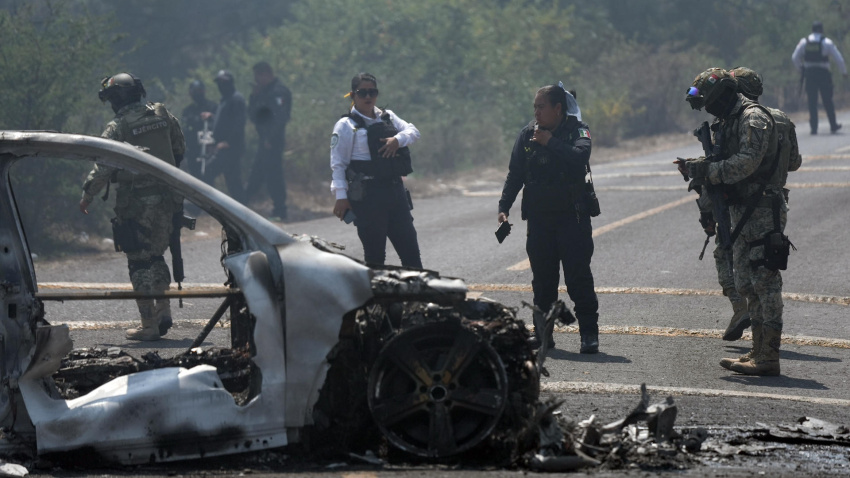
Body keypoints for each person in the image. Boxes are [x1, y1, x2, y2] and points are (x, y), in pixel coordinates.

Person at [682, 68, 796, 376]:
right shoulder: (731, 120)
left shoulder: (753, 118)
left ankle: (769, 354)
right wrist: (699, 166)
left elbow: (746, 163)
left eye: (711, 103)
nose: (708, 109)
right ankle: (758, 350)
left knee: (765, 283)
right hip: (742, 210)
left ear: (725, 95)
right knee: (748, 283)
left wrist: (707, 171)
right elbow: (725, 159)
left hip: (761, 210)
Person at [79, 73, 185, 341]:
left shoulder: (117, 127)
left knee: (138, 260)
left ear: (116, 99)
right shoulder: (163, 115)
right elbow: (179, 148)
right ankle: (163, 311)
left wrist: (87, 194)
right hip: (168, 197)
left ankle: (148, 325)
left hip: (135, 203)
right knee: (157, 254)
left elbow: (103, 166)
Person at [498, 84, 599, 354]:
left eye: (541, 106)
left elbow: (580, 157)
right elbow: (515, 174)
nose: (536, 112)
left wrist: (550, 142)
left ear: (557, 109)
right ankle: (543, 335)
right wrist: (504, 206)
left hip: (572, 219)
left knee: (578, 278)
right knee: (543, 281)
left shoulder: (578, 130)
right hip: (540, 221)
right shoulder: (526, 135)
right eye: (535, 107)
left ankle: (589, 334)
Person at [330, 72, 423, 269]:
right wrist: (341, 196)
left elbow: (413, 132)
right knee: (375, 258)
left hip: (395, 193)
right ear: (353, 95)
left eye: (372, 92)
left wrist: (398, 140)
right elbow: (338, 164)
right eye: (362, 92)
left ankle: (417, 299)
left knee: (411, 254)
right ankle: (378, 300)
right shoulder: (346, 125)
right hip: (368, 197)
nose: (367, 97)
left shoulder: (387, 117)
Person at [247, 61, 292, 220]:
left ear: (265, 74)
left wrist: (270, 139)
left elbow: (280, 118)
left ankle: (280, 210)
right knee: (257, 174)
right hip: (263, 140)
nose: (257, 80)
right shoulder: (263, 92)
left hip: (273, 140)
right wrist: (254, 96)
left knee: (274, 175)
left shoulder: (278, 91)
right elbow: (254, 115)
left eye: (258, 77)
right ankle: (244, 205)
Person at [792, 21, 847, 135]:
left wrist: (801, 69)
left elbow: (795, 58)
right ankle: (833, 125)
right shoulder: (826, 42)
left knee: (812, 101)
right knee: (827, 100)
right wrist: (844, 72)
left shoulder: (804, 42)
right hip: (823, 74)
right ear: (821, 30)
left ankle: (814, 128)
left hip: (810, 75)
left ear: (812, 30)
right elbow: (839, 59)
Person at [201, 70, 246, 202]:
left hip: (230, 147)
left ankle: (208, 204)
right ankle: (242, 211)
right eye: (219, 83)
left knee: (208, 171)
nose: (221, 85)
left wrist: (229, 142)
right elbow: (225, 121)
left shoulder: (236, 99)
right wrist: (212, 117)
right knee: (233, 181)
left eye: (224, 82)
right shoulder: (225, 99)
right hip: (223, 146)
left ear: (230, 82)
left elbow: (239, 123)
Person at [180, 79, 218, 180]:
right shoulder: (188, 110)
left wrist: (211, 117)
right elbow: (184, 128)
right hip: (192, 149)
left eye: (199, 91)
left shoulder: (212, 107)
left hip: (207, 149)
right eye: (194, 91)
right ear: (190, 93)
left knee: (207, 176)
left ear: (203, 91)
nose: (197, 93)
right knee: (194, 177)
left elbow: (220, 124)